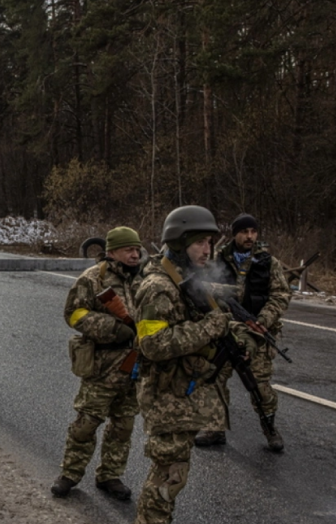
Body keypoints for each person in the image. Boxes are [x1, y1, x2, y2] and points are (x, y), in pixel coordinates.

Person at [133, 205, 244, 524]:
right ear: (180, 243)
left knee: (171, 478)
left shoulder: (185, 277)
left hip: (183, 396)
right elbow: (153, 345)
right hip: (167, 400)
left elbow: (201, 319)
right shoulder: (158, 286)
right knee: (168, 479)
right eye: (200, 243)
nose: (207, 250)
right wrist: (213, 327)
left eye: (210, 243)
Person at [51, 226, 143, 501]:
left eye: (137, 249)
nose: (135, 254)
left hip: (134, 364)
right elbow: (73, 313)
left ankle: (110, 475)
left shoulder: (145, 279)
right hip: (102, 365)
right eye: (129, 249)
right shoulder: (93, 279)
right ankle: (70, 474)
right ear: (112, 251)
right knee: (86, 423)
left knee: (123, 425)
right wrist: (112, 327)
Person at [195, 213, 291, 451]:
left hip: (257, 333)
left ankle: (270, 429)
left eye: (253, 232)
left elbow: (281, 296)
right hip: (223, 331)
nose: (249, 237)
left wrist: (262, 322)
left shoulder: (268, 263)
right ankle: (214, 428)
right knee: (212, 378)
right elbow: (198, 290)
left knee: (259, 385)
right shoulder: (215, 260)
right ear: (235, 234)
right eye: (244, 232)